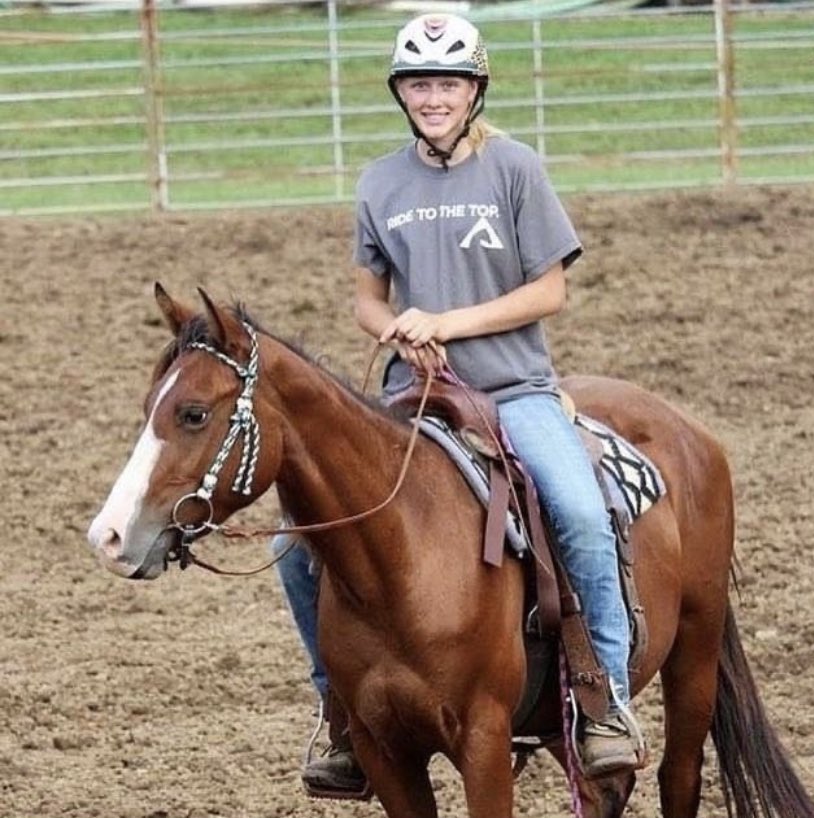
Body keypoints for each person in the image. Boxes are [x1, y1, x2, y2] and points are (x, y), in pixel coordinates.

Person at [272, 12, 642, 795]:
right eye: (418, 83)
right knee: (294, 545)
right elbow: (366, 303)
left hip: (513, 390)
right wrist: (400, 329)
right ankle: (337, 712)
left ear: (474, 90)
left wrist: (448, 321)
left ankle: (604, 701)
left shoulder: (514, 168)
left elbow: (551, 288)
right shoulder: (380, 182)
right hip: (411, 397)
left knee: (578, 511)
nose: (432, 97)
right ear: (400, 93)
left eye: (447, 83)